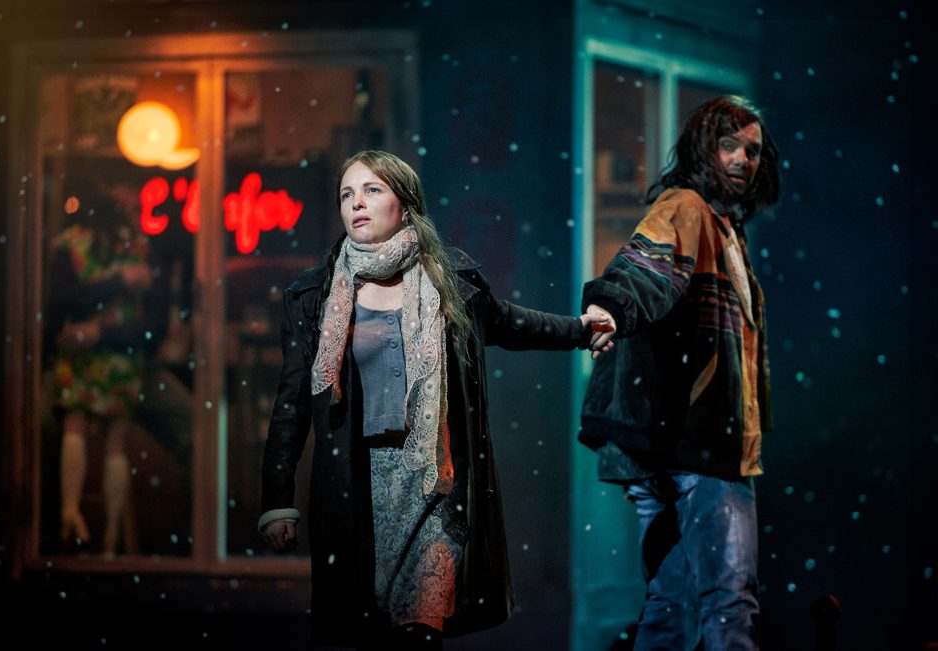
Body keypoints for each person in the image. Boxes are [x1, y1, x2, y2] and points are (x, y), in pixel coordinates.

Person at [258, 150, 596, 649]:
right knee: (372, 633)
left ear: (405, 203)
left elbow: (511, 323)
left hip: (433, 481)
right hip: (357, 484)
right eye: (347, 194)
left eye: (373, 190)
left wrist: (581, 331)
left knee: (421, 629)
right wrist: (276, 501)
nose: (358, 204)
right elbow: (291, 404)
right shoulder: (315, 297)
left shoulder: (449, 285)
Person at [579, 95, 781, 650]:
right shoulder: (687, 207)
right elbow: (645, 267)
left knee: (670, 605)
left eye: (753, 149)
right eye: (728, 145)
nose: (743, 159)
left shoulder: (724, 228)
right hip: (698, 445)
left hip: (677, 442)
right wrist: (611, 307)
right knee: (729, 601)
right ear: (702, 148)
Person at [45, 183, 169, 555]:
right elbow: (62, 300)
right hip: (118, 357)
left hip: (94, 354)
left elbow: (153, 328)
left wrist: (94, 331)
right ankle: (110, 537)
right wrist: (119, 283)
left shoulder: (71, 244)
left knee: (76, 425)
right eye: (127, 207)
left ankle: (73, 514)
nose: (132, 214)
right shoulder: (138, 252)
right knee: (112, 436)